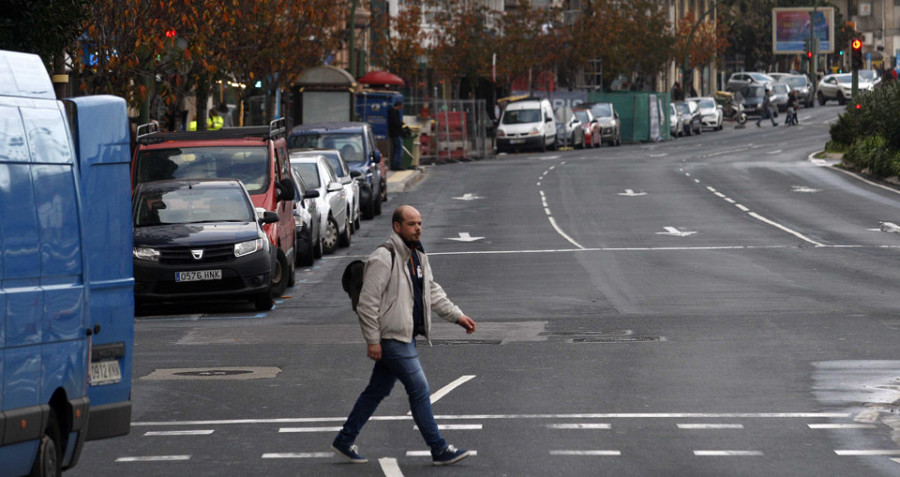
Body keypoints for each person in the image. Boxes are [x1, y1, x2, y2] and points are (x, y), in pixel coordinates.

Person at [332, 205, 477, 467]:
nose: (418, 228)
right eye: (411, 224)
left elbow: (431, 291)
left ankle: (345, 439)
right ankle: (439, 448)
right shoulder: (384, 257)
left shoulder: (418, 256)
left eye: (420, 223)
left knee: (376, 391)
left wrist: (457, 316)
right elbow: (367, 302)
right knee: (419, 389)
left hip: (405, 334)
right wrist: (373, 340)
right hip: (392, 337)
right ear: (397, 227)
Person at [387, 101, 404, 170]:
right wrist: (401, 124)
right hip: (396, 133)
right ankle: (397, 164)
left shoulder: (394, 112)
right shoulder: (394, 113)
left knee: (396, 149)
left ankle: (395, 164)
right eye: (401, 106)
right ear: (399, 105)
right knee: (399, 149)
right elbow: (395, 123)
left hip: (394, 133)